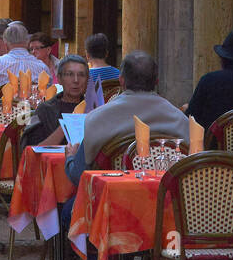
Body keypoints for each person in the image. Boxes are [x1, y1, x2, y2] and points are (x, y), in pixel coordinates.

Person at [63, 51, 189, 187]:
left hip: (109, 203)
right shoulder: (180, 120)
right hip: (166, 202)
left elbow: (78, 177)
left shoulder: (98, 118)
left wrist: (70, 157)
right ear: (156, 81)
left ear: (121, 80)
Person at [0, 22, 52, 100]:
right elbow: (47, 97)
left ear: (5, 44)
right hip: (30, 111)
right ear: (27, 42)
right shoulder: (42, 68)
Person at [23, 55, 89, 146]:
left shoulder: (94, 109)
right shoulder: (44, 109)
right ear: (59, 79)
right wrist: (66, 125)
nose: (76, 80)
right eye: (70, 74)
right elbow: (32, 149)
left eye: (81, 75)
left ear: (87, 79)